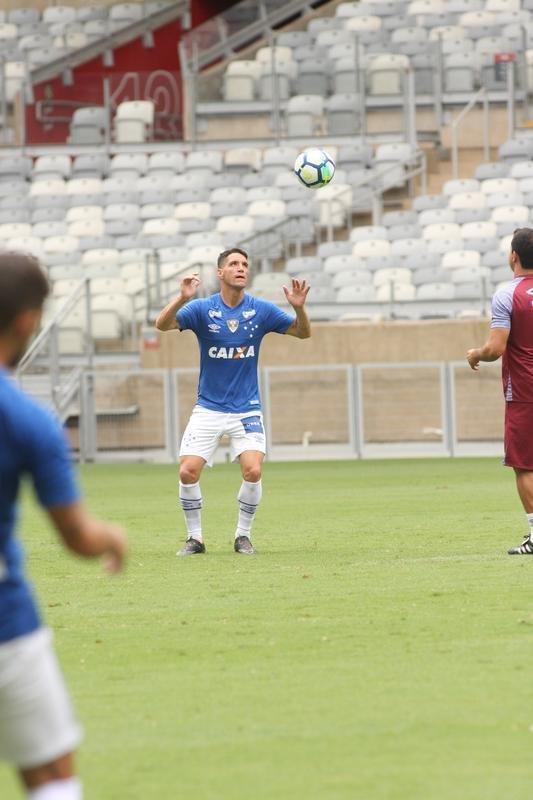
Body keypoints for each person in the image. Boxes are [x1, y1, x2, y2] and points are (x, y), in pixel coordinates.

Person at [0, 252, 128, 799]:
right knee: (52, 776)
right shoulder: (26, 420)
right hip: (6, 627)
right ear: (29, 319)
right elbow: (77, 538)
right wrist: (112, 539)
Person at [155, 247, 311, 555]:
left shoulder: (261, 310)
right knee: (187, 471)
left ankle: (243, 536)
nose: (241, 268)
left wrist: (299, 309)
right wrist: (183, 298)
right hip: (208, 407)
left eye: (244, 264)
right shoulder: (202, 309)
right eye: (234, 264)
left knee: (253, 470)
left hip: (246, 408)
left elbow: (302, 333)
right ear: (221, 273)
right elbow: (162, 325)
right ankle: (195, 539)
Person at [467, 227, 533, 555]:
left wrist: (475, 354)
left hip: (524, 392)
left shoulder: (507, 294)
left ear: (513, 256)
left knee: (526, 465)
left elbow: (495, 349)